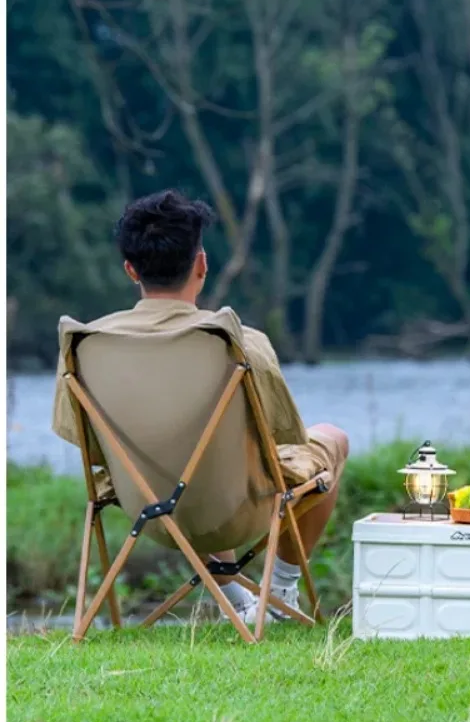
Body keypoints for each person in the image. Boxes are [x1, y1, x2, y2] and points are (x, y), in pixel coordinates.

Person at [52, 189, 348, 626]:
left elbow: (90, 448)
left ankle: (233, 599)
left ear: (131, 269)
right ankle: (280, 591)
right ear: (202, 264)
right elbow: (283, 437)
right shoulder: (238, 342)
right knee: (331, 439)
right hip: (236, 509)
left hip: (148, 513)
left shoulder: (85, 345)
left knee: (181, 459)